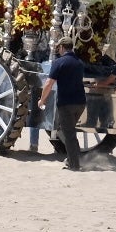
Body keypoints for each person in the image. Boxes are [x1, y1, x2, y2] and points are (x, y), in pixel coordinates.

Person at [38, 36, 86, 171]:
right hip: (80, 103)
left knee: (68, 133)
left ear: (62, 47)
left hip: (66, 103)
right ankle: (73, 158)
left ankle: (74, 165)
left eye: (59, 47)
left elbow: (49, 83)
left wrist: (42, 100)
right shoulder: (80, 63)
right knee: (69, 131)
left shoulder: (59, 62)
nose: (58, 49)